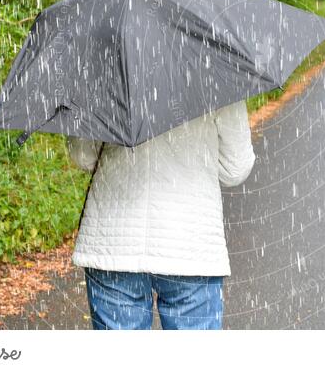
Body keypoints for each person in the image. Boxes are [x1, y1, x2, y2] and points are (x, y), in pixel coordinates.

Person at [65, 99, 255, 330]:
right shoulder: (216, 73)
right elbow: (235, 168)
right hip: (190, 245)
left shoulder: (104, 70)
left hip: (114, 243)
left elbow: (84, 156)